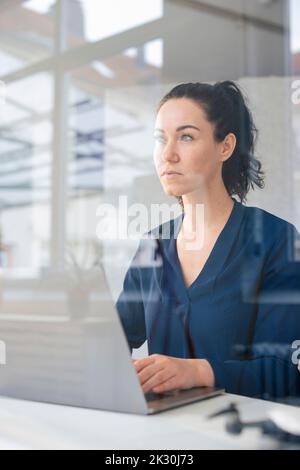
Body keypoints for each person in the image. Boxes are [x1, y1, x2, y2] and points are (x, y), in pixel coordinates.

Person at [116, 81, 300, 401]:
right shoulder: (154, 244)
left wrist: (198, 371)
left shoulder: (275, 239)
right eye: (161, 139)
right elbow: (112, 342)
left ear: (225, 147)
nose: (168, 154)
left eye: (186, 137)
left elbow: (282, 372)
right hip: (162, 434)